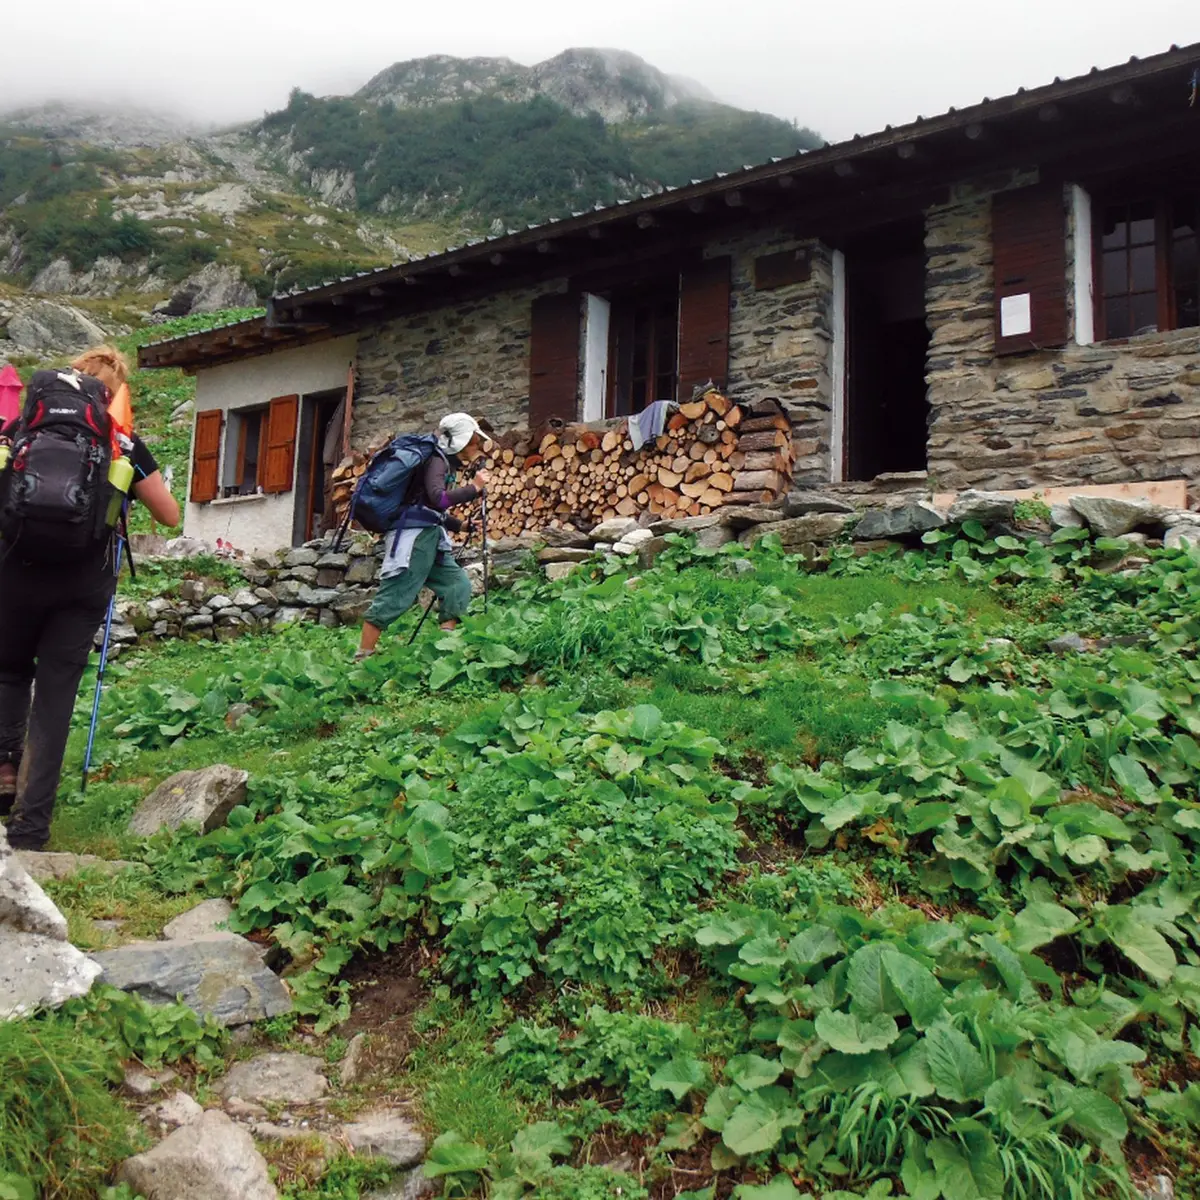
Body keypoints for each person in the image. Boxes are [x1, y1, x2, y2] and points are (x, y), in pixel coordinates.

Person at [0, 346, 180, 851]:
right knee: (55, 698)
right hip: (82, 583)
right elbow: (169, 516)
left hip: (15, 570)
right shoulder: (121, 439)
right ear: (114, 392)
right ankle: (31, 827)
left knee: (8, 672)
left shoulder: (21, 427)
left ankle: (5, 768)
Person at [355, 412, 490, 661]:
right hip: (414, 539)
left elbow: (428, 508)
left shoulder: (443, 461)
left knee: (456, 585)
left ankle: (445, 649)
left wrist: (460, 526)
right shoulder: (437, 460)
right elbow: (438, 498)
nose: (477, 447)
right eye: (473, 441)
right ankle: (363, 656)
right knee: (396, 594)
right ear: (460, 441)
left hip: (429, 536)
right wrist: (475, 488)